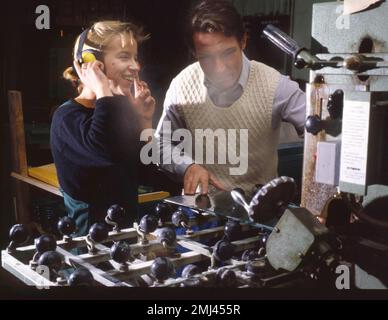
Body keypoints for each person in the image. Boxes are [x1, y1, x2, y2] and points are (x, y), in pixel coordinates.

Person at [155, 0, 306, 198]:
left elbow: (323, 135)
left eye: (227, 53)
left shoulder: (276, 86)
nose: (220, 68)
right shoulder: (181, 85)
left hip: (259, 214)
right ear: (194, 53)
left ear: (243, 41)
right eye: (207, 57)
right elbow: (159, 145)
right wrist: (187, 166)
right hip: (202, 213)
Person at [50, 20, 155, 236]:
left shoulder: (118, 110)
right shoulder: (66, 117)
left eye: (135, 57)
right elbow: (102, 151)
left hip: (126, 236)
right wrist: (103, 89)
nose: (135, 66)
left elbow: (147, 171)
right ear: (93, 62)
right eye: (125, 57)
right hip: (89, 245)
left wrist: (144, 121)